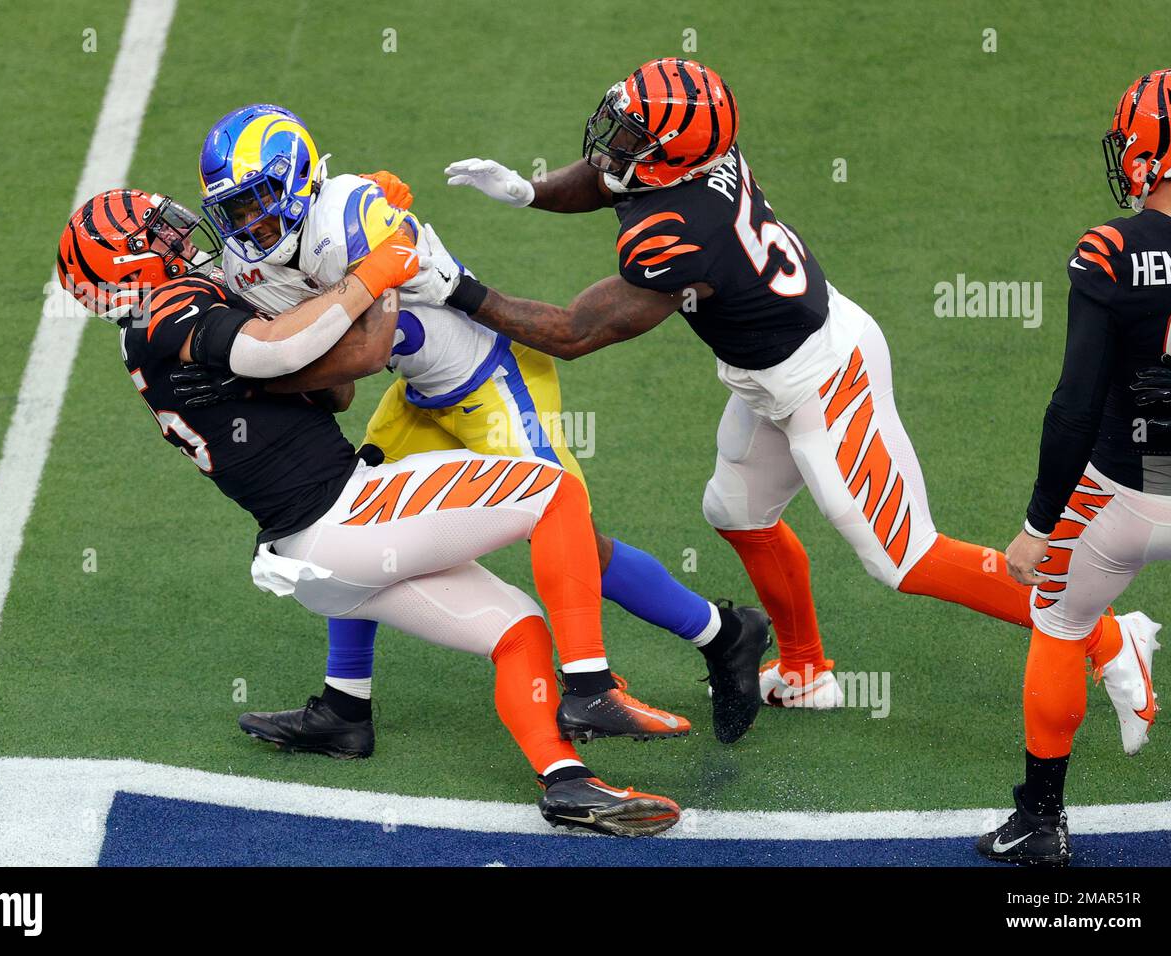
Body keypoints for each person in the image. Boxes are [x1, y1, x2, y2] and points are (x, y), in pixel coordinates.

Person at [413, 57, 1136, 715]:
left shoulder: (679, 231)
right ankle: (806, 669)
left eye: (634, 137)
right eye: (621, 127)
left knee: (905, 557)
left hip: (826, 376)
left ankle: (1102, 635)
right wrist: (527, 192)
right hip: (771, 368)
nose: (612, 146)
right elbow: (612, 175)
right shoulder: (701, 160)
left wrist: (459, 289)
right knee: (737, 511)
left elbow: (576, 331)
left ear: (676, 159)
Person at [55, 187, 685, 836]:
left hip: (313, 558)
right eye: (160, 236)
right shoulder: (171, 308)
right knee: (553, 493)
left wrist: (337, 284)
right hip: (343, 516)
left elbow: (333, 388)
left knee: (519, 629)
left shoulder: (164, 328)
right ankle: (589, 689)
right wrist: (374, 269)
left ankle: (567, 785)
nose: (183, 236)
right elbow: (275, 350)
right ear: (128, 264)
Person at [195, 103, 770, 748]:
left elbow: (358, 359)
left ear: (300, 178)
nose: (252, 222)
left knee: (570, 531)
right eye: (235, 210)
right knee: (353, 513)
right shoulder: (255, 261)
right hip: (422, 390)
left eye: (261, 199)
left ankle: (642, 667)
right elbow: (340, 389)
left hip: (490, 377)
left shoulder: (351, 215)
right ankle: (344, 707)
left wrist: (262, 369)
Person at [978, 70, 1171, 865]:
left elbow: (1073, 405)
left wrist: (1037, 526)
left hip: (1126, 489)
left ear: (1150, 150)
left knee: (1061, 627)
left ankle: (1041, 819)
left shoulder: (1113, 249)